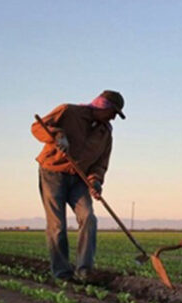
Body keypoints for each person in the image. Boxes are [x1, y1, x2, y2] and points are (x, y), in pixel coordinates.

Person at [31, 90, 125, 281]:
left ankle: (84, 270)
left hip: (79, 179)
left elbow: (100, 163)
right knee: (57, 225)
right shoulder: (68, 111)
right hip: (53, 172)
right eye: (113, 112)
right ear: (102, 106)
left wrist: (95, 181)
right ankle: (62, 273)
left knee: (89, 217)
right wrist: (57, 135)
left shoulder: (105, 134)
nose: (113, 118)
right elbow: (37, 128)